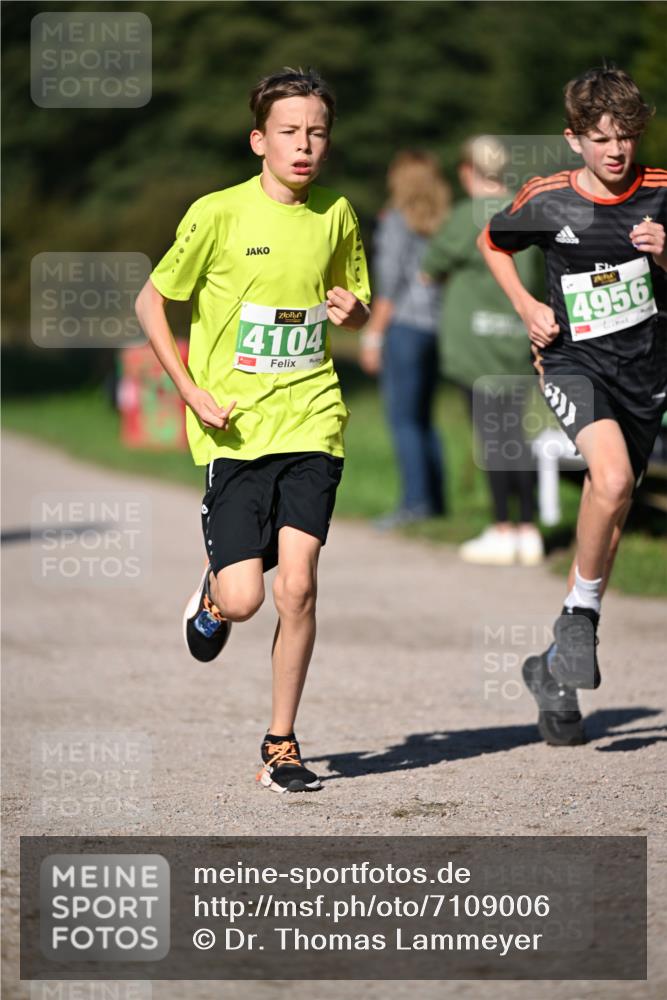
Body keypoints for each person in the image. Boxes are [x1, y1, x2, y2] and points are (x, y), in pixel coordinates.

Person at [135, 68, 370, 792]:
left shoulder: (336, 213)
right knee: (245, 599)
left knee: (296, 587)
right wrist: (188, 390)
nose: (305, 145)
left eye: (317, 132)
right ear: (259, 140)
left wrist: (352, 311)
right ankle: (212, 595)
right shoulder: (217, 214)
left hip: (312, 418)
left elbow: (357, 296)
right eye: (290, 132)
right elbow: (152, 301)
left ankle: (281, 742)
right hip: (233, 430)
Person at [479, 67, 666, 745]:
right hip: (571, 364)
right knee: (610, 480)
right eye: (598, 138)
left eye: (624, 137)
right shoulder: (549, 199)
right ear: (573, 139)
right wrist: (527, 305)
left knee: (608, 513)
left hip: (645, 377)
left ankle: (554, 667)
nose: (614, 151)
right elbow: (491, 242)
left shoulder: (661, 193)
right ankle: (579, 623)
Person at [422, 136, 544, 566]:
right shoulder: (526, 208)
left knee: (491, 438)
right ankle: (528, 530)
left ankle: (501, 526)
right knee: (518, 437)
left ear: (467, 172)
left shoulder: (463, 216)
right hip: (517, 343)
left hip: (475, 350)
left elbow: (429, 270)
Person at [359, 151, 450, 527]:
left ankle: (415, 504)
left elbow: (389, 286)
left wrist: (372, 336)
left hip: (405, 328)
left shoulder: (396, 222)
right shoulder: (444, 222)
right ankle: (436, 502)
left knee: (404, 420)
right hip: (437, 327)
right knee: (425, 419)